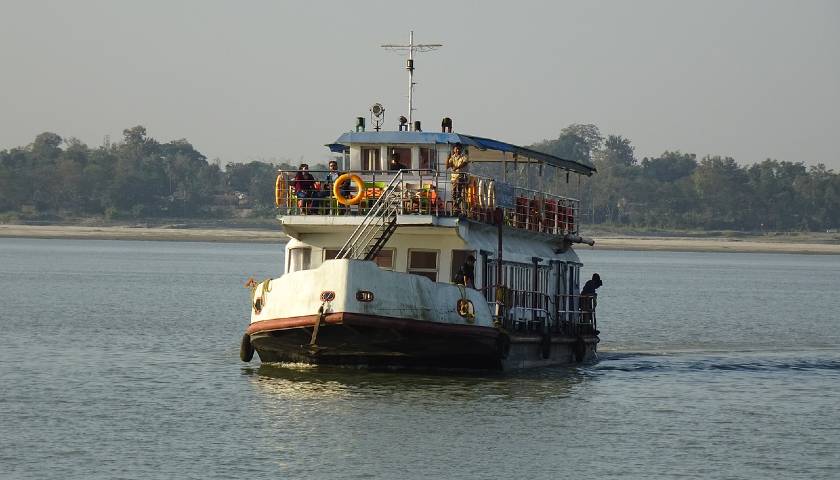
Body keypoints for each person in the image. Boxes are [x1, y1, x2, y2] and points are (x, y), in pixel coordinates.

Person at [445, 143, 470, 213]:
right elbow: (447, 166)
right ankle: (456, 206)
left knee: (458, 186)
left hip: (462, 177)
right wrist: (448, 157)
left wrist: (457, 167)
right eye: (456, 149)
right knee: (454, 193)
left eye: (459, 149)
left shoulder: (464, 156)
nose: (458, 150)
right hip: (454, 178)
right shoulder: (452, 157)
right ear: (454, 149)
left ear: (461, 149)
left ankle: (457, 203)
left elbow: (464, 163)